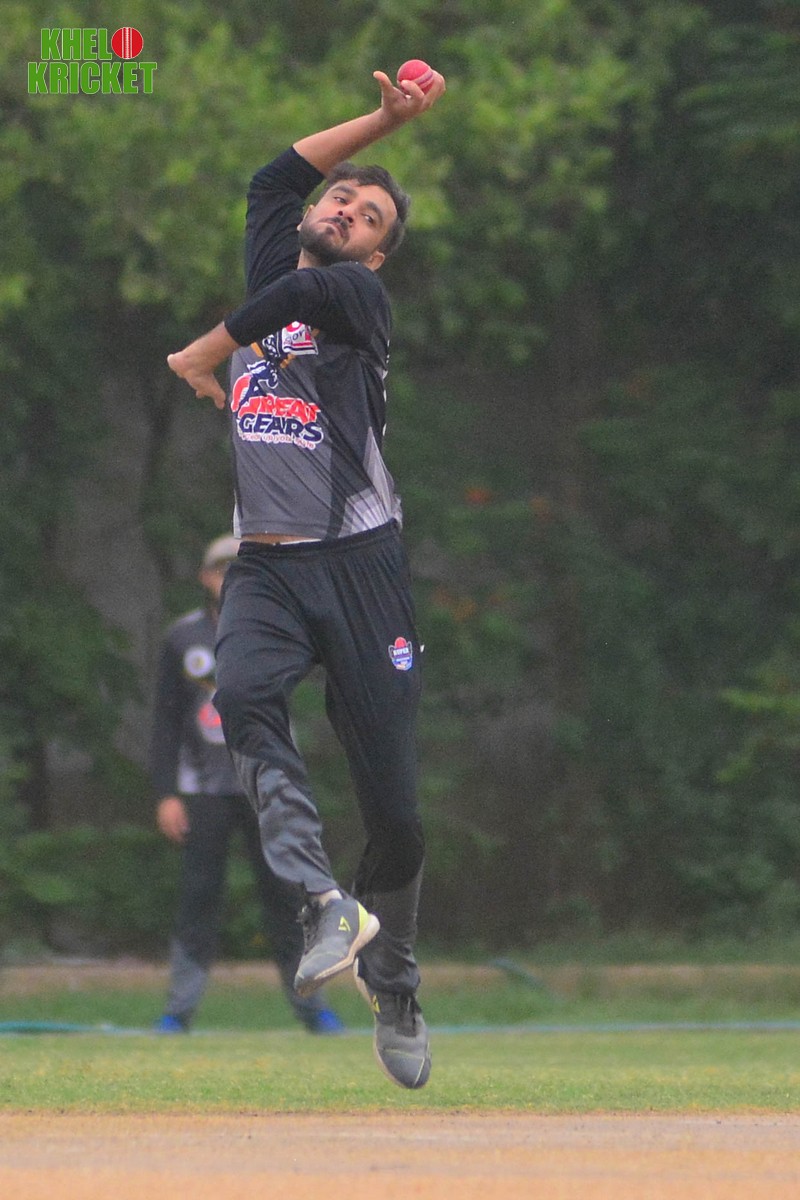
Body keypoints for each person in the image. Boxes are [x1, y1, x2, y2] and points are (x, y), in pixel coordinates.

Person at [167, 66, 446, 1088]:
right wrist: (384, 121)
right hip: (269, 570)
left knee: (397, 814)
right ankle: (322, 903)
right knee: (241, 693)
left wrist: (202, 352)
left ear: (376, 251)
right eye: (341, 198)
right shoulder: (278, 254)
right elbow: (272, 178)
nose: (345, 211)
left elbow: (297, 294)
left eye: (369, 217)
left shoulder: (356, 298)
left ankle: (395, 980)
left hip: (362, 572)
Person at [150, 533, 344, 1035]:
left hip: (267, 784)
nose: (230, 578)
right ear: (205, 577)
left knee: (288, 898)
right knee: (198, 899)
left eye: (241, 569)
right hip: (203, 789)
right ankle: (178, 1011)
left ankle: (313, 1008)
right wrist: (165, 793)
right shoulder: (182, 637)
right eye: (221, 570)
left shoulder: (279, 627)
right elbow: (166, 721)